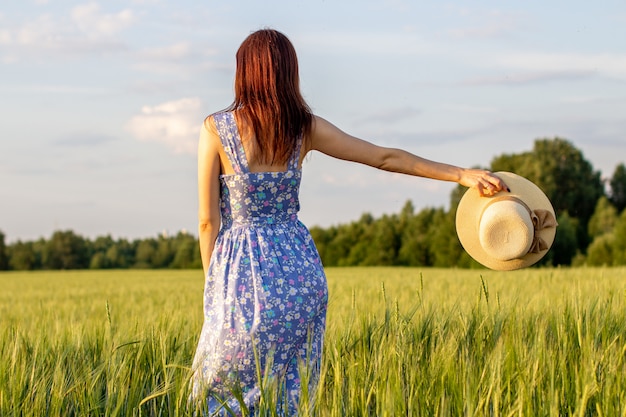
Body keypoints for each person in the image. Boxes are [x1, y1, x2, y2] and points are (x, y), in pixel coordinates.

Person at [189, 28, 507, 415]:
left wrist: (214, 288)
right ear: (289, 73)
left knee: (222, 394)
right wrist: (460, 174)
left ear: (244, 72)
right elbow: (384, 157)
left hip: (240, 278)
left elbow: (209, 222)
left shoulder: (215, 129)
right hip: (299, 278)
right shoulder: (303, 128)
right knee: (289, 395)